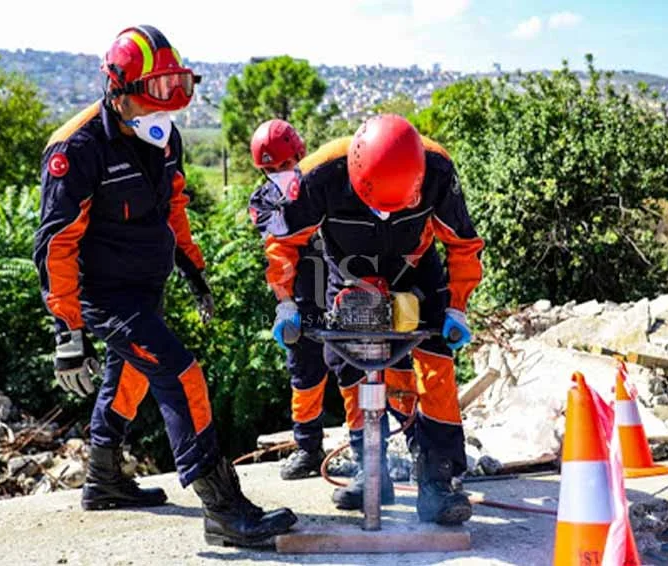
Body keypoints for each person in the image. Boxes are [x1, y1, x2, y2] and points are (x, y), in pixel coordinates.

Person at [32, 24, 296, 547]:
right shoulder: (76, 148)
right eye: (153, 92)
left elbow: (172, 210)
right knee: (182, 375)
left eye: (172, 88)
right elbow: (55, 245)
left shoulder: (163, 137)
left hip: (145, 286)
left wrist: (194, 271)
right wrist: (68, 331)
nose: (165, 105)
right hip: (102, 296)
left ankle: (103, 480)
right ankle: (222, 507)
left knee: (130, 374)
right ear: (118, 88)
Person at [264, 114, 483, 525]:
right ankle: (371, 469)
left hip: (414, 269)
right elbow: (284, 241)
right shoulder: (319, 175)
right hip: (348, 271)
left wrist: (456, 306)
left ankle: (437, 477)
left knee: (435, 363)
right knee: (349, 365)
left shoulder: (436, 169)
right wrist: (286, 302)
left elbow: (463, 243)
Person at [247, 119, 329, 480]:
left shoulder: (325, 183)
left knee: (362, 368)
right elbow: (277, 254)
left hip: (344, 285)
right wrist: (285, 303)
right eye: (270, 169)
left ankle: (372, 447)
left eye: (284, 164)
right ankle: (309, 448)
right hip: (303, 294)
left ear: (300, 154)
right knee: (304, 372)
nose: (280, 173)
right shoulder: (264, 202)